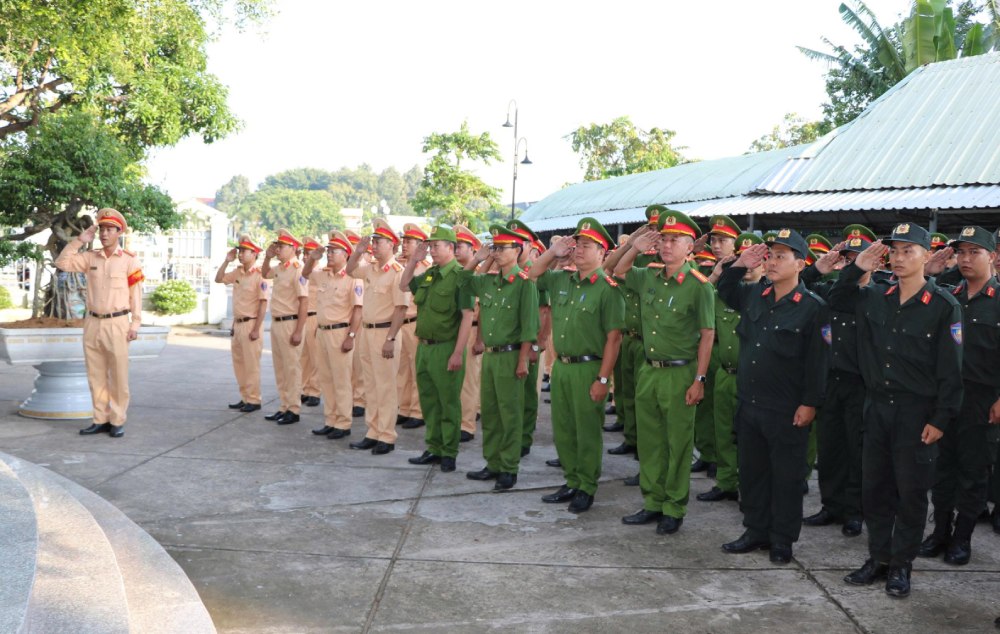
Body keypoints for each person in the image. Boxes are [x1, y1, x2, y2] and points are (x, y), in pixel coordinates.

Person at [832, 223, 963, 598]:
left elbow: (951, 370)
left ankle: (901, 566)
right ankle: (878, 557)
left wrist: (940, 419)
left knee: (911, 493)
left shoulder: (942, 306)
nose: (900, 257)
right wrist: (858, 266)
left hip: (916, 413)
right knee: (875, 490)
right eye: (895, 251)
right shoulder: (876, 295)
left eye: (909, 250)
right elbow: (838, 297)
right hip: (876, 408)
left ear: (927, 255)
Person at [717, 229, 830, 565]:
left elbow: (818, 363)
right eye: (771, 254)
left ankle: (782, 539)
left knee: (787, 477)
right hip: (751, 403)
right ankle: (755, 530)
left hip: (787, 409)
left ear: (801, 264)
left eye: (782, 256)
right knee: (752, 472)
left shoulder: (813, 308)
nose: (772, 261)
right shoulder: (755, 295)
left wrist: (810, 403)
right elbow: (724, 289)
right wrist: (741, 263)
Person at [613, 211, 715, 535]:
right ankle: (653, 501)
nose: (668, 245)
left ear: (690, 247)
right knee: (651, 442)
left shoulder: (699, 287)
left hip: (680, 373)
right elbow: (618, 270)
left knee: (678, 443)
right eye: (665, 239)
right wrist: (635, 247)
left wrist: (700, 379)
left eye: (676, 240)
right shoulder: (649, 275)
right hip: (649, 371)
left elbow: (707, 335)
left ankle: (674, 506)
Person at [528, 217, 625, 513]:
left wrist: (603, 380)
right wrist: (554, 252)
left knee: (587, 431)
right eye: (578, 244)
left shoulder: (608, 289)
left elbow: (614, 339)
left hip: (589, 368)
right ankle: (570, 480)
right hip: (563, 366)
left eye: (587, 245)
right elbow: (532, 272)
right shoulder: (561, 279)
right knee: (564, 428)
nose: (580, 250)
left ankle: (586, 485)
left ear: (602, 252)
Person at [918, 225, 1000, 566]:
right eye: (961, 253)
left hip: (983, 401)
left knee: (973, 472)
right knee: (942, 469)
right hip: (946, 397)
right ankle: (940, 533)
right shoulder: (949, 295)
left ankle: (962, 538)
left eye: (974, 252)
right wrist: (929, 274)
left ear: (992, 256)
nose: (965, 259)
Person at [800, 225, 876, 538]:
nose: (852, 264)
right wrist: (819, 268)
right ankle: (831, 505)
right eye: (848, 259)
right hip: (830, 380)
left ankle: (855, 511)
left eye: (860, 258)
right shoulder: (830, 292)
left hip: (861, 384)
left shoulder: (880, 294)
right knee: (830, 448)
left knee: (857, 450)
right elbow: (797, 286)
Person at [460, 225, 539, 489]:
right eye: (494, 247)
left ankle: (509, 467)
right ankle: (492, 463)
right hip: (491, 356)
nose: (497, 252)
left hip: (511, 354)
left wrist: (522, 360)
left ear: (517, 251)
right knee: (491, 412)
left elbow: (529, 326)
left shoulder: (525, 284)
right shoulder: (489, 280)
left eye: (501, 248)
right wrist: (478, 259)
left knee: (510, 413)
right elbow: (461, 281)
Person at [55, 208, 144, 438]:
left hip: (118, 323)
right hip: (92, 322)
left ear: (119, 232)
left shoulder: (129, 261)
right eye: (101, 229)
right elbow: (62, 262)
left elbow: (136, 294)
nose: (104, 234)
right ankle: (100, 418)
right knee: (95, 374)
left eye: (109, 230)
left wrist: (135, 324)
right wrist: (79, 241)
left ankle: (117, 420)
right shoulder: (90, 257)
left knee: (118, 375)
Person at [698, 232, 765, 503]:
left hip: (754, 380)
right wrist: (716, 273)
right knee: (723, 432)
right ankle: (726, 482)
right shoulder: (722, 296)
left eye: (754, 261)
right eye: (742, 261)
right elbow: (699, 298)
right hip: (726, 375)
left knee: (751, 440)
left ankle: (751, 488)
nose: (748, 267)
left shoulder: (768, 297)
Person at [402, 226, 475, 473]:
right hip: (424, 347)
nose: (431, 250)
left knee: (448, 402)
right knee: (429, 401)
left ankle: (449, 452)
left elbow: (467, 316)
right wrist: (414, 259)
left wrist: (457, 352)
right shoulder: (431, 274)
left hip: (446, 348)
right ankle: (433, 447)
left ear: (451, 248)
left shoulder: (461, 277)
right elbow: (404, 285)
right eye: (430, 246)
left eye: (436, 246)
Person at [346, 219, 410, 455]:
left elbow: (401, 309)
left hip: (385, 332)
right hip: (367, 331)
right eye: (373, 241)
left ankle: (387, 435)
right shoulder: (371, 269)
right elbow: (350, 270)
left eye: (378, 242)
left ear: (392, 245)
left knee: (385, 387)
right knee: (370, 385)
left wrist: (390, 339)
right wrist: (358, 251)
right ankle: (372, 432)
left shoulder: (398, 273)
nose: (373, 245)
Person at [303, 230, 363, 440]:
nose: (329, 254)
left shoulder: (353, 278)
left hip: (340, 332)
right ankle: (330, 420)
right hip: (322, 332)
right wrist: (313, 257)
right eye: (328, 251)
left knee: (341, 380)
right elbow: (305, 274)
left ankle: (344, 423)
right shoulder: (323, 275)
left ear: (346, 254)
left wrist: (351, 336)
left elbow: (357, 310)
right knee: (326, 379)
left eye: (334, 251)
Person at [507, 219, 550, 456]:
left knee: (527, 396)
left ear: (528, 246)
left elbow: (545, 311)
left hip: (529, 342)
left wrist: (539, 343)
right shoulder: (508, 272)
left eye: (519, 243)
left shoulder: (537, 272)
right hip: (509, 343)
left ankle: (524, 438)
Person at [214, 235, 269, 413]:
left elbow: (263, 304)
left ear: (254, 254)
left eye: (244, 251)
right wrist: (226, 261)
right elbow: (219, 278)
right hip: (237, 324)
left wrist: (255, 329)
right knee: (239, 363)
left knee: (251, 365)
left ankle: (254, 399)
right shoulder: (238, 272)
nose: (240, 254)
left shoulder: (260, 275)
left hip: (252, 324)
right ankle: (245, 397)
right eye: (239, 251)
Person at [260, 229, 309, 425]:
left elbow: (304, 302)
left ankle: (294, 409)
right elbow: (265, 273)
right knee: (280, 368)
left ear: (293, 248)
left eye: (281, 246)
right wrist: (267, 257)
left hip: (291, 322)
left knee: (292, 368)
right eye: (277, 246)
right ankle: (284, 406)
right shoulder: (280, 268)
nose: (277, 249)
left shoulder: (298, 268)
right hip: (277, 322)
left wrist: (298, 330)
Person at [454, 225, 484, 443]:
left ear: (473, 249)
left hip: (473, 330)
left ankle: (467, 425)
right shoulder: (455, 273)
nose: (456, 249)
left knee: (470, 381)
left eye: (460, 246)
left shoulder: (481, 275)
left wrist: (480, 339)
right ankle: (457, 421)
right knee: (455, 381)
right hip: (454, 330)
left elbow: (483, 311)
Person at [397, 223, 428, 429]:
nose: (405, 245)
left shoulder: (424, 268)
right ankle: (404, 408)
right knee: (402, 371)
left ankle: (418, 411)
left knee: (417, 370)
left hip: (415, 322)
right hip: (400, 323)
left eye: (410, 242)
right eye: (404, 241)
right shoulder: (400, 267)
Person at [344, 229, 367, 419]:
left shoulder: (364, 270)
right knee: (350, 365)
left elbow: (358, 305)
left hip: (361, 323)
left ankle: (359, 399)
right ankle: (352, 397)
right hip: (352, 322)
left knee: (359, 365)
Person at [298, 237, 323, 408]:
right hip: (302, 317)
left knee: (316, 358)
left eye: (309, 254)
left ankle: (315, 390)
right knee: (303, 357)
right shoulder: (303, 273)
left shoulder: (321, 273)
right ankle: (305, 388)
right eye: (305, 253)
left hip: (315, 317)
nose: (306, 257)